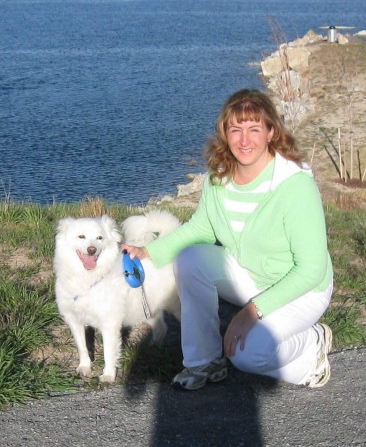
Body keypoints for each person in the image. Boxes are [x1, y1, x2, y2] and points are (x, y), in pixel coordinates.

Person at [123, 88, 333, 391]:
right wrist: (148, 252)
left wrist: (252, 312)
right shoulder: (219, 177)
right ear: (225, 132)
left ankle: (312, 349)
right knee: (190, 258)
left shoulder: (294, 185)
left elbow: (310, 269)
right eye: (236, 129)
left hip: (302, 289)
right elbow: (201, 229)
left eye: (254, 129)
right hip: (250, 273)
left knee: (248, 355)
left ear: (271, 132)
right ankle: (204, 363)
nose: (244, 140)